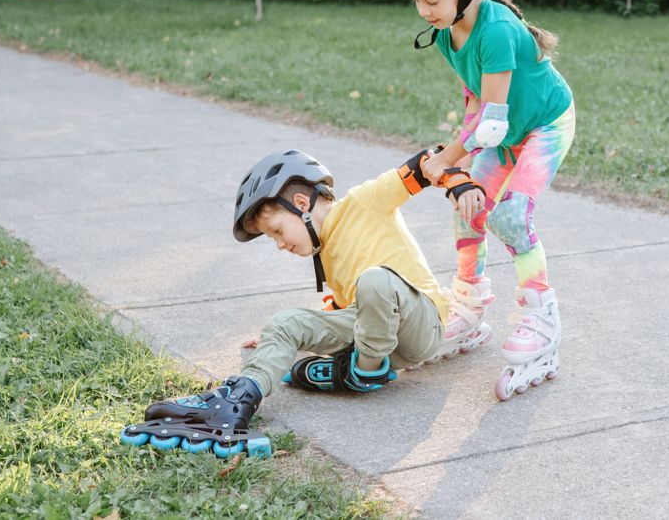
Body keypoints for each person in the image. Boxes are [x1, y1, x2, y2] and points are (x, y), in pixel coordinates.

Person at [120, 148, 486, 457]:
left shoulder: (363, 202)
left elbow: (426, 164)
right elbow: (348, 313)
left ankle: (361, 371)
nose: (279, 243)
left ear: (300, 203)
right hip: (373, 329)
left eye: (277, 231)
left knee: (375, 280)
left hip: (420, 322)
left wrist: (459, 182)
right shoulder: (326, 255)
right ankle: (236, 404)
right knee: (285, 322)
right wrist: (281, 340)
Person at [384, 0, 576, 400]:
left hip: (543, 126)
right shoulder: (449, 32)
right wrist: (458, 166)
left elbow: (491, 122)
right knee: (469, 207)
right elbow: (476, 99)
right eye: (416, 1)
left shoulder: (496, 30)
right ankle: (468, 307)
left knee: (511, 216)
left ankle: (540, 315)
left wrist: (448, 157)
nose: (424, 10)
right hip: (501, 129)